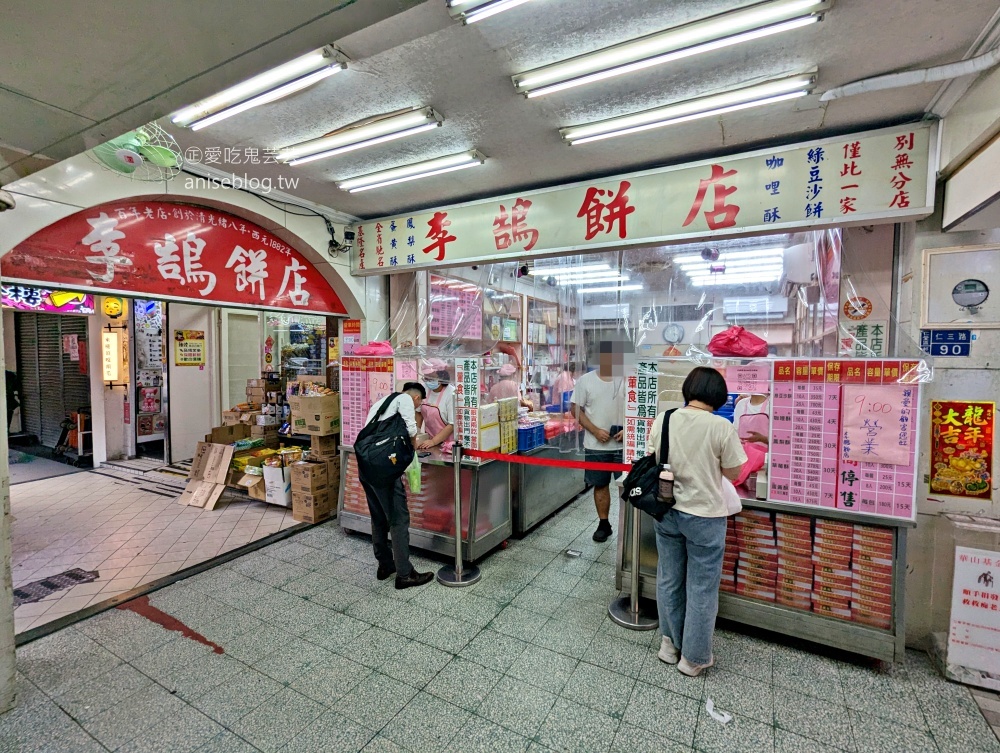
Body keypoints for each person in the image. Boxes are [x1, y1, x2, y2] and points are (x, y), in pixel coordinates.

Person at [646, 367, 747, 677]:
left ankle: (669, 645)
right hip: (705, 517)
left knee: (669, 578)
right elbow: (735, 473)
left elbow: (651, 458)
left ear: (688, 389)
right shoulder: (720, 426)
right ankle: (693, 658)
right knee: (702, 587)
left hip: (667, 510)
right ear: (718, 396)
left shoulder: (664, 418)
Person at [359, 382, 434, 590]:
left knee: (379, 517)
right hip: (385, 470)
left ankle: (385, 565)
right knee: (399, 520)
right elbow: (411, 428)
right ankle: (405, 574)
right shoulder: (406, 400)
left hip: (367, 466)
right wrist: (414, 447)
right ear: (417, 398)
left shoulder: (382, 402)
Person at [571, 342, 626, 543]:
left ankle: (627, 526)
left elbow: (637, 409)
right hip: (596, 445)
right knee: (600, 485)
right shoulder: (586, 381)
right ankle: (604, 524)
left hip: (625, 447)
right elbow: (575, 408)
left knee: (628, 487)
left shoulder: (628, 380)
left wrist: (628, 430)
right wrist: (594, 430)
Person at [417, 361, 456, 450]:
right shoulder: (423, 388)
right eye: (426, 378)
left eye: (431, 378)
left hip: (448, 443)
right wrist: (417, 435)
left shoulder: (451, 393)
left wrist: (434, 441)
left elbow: (452, 424)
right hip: (428, 440)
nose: (428, 381)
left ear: (442, 376)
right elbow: (419, 412)